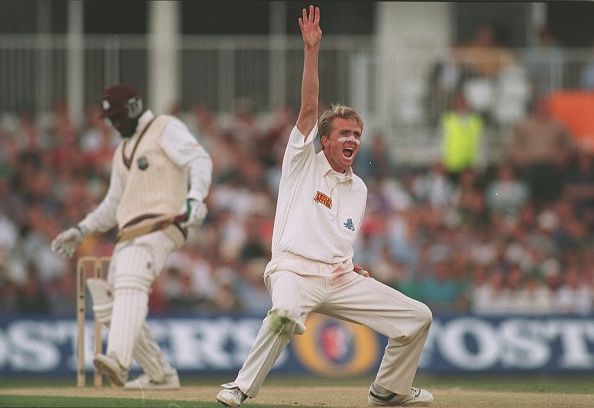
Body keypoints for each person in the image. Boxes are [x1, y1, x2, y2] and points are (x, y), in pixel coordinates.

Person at [216, 6, 433, 407]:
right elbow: (308, 108)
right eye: (344, 133)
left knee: (417, 317)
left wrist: (350, 266)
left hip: (338, 277)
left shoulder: (360, 188)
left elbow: (338, 234)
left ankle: (389, 391)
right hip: (292, 270)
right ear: (325, 140)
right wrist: (312, 51)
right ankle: (240, 388)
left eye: (357, 134)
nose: (352, 139)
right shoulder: (301, 162)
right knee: (282, 316)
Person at [50, 84, 213, 390]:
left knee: (130, 280)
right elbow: (113, 204)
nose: (112, 123)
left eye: (116, 116)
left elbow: (199, 159)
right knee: (109, 305)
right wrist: (81, 229)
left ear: (134, 109)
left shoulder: (165, 127)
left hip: (163, 223)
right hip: (128, 233)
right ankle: (160, 374)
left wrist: (195, 198)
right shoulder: (121, 151)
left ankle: (118, 360)